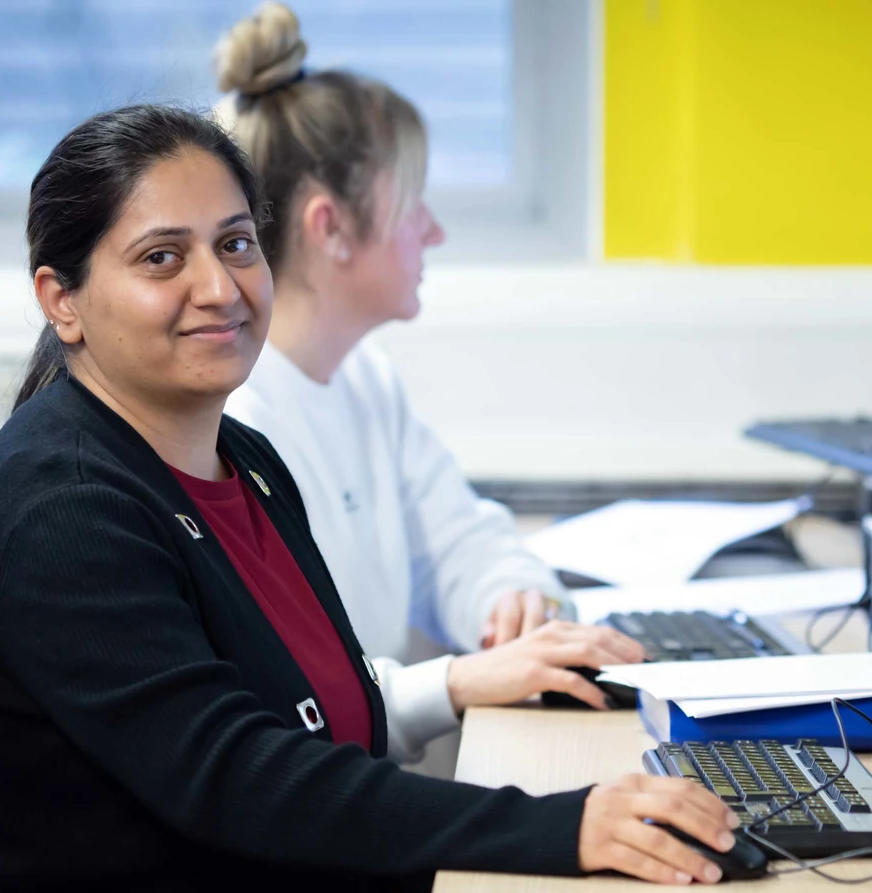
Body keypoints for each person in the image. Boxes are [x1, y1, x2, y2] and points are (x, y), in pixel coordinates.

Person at [0, 104, 739, 893]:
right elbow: (235, 774)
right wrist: (561, 827)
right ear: (61, 300)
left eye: (235, 244)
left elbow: (314, 716)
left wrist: (389, 892)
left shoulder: (246, 461)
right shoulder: (60, 511)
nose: (221, 287)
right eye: (163, 258)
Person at [215, 3, 613, 763]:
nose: (434, 231)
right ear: (329, 227)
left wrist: (512, 599)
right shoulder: (238, 422)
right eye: (412, 203)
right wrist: (461, 679)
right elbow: (288, 706)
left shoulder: (363, 379)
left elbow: (460, 540)